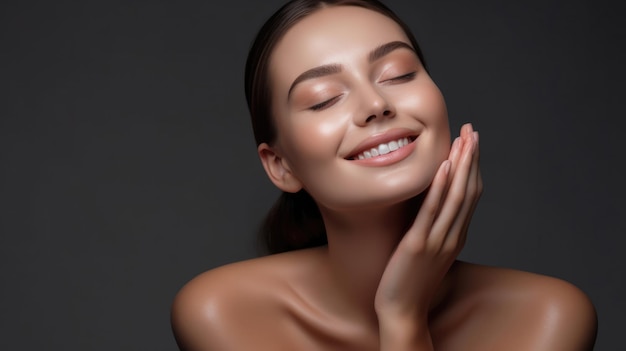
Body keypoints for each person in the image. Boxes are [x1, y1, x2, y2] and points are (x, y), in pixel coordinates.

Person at [171, 0, 597, 349]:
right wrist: (402, 313)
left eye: (399, 74)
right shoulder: (224, 313)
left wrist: (402, 317)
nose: (375, 103)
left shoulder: (547, 316)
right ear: (281, 166)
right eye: (323, 99)